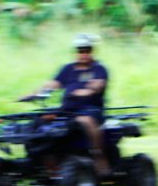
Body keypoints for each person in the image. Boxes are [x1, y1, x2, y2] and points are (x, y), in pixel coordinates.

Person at [25, 33, 110, 174]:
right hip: (67, 110)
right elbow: (53, 83)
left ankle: (98, 155)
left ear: (92, 50)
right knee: (41, 120)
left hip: (90, 109)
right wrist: (35, 93)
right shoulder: (68, 69)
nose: (83, 53)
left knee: (85, 120)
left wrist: (88, 90)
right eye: (80, 50)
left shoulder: (99, 68)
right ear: (76, 51)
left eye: (86, 50)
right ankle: (47, 161)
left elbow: (99, 84)